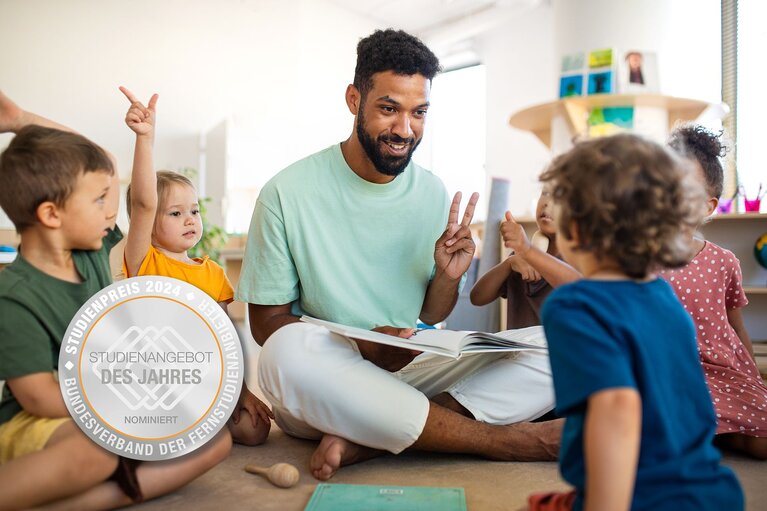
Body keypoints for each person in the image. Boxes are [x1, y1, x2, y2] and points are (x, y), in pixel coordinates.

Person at [236, 28, 561, 482]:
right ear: (354, 100)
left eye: (419, 112)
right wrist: (361, 346)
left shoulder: (431, 192)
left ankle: (371, 442)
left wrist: (449, 276)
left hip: (414, 370)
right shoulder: (285, 192)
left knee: (566, 344)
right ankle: (501, 441)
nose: (405, 130)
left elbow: (431, 312)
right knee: (284, 352)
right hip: (330, 384)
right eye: (389, 109)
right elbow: (265, 326)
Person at [0, 91, 231, 510]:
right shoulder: (13, 296)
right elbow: (38, 399)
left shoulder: (91, 257)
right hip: (36, 421)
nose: (112, 212)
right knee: (98, 451)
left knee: (213, 439)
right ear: (53, 215)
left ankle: (88, 498)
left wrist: (20, 120)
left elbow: (113, 173)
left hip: (100, 406)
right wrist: (119, 406)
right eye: (100, 200)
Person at [528, 133, 743, 510]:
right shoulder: (666, 299)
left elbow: (616, 408)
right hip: (714, 492)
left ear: (574, 230)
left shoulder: (574, 305)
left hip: (643, 499)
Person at [118, 87, 274, 447]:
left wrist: (242, 392)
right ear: (149, 222)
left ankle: (200, 421)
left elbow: (224, 344)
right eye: (175, 213)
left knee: (255, 431)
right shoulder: (144, 261)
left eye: (194, 211)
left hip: (201, 377)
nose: (190, 219)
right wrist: (145, 139)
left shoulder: (213, 274)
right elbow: (143, 203)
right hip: (152, 379)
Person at [661, 124, 767, 459]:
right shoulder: (640, 258)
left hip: (725, 370)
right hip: (673, 372)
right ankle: (708, 428)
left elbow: (736, 327)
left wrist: (753, 377)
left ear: (708, 207)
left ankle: (719, 432)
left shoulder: (725, 261)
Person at [470, 185, 579, 329]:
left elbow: (581, 292)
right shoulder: (520, 258)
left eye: (559, 198)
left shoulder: (577, 262)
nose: (547, 202)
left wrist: (528, 252)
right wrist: (509, 264)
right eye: (545, 193)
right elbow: (477, 297)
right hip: (517, 351)